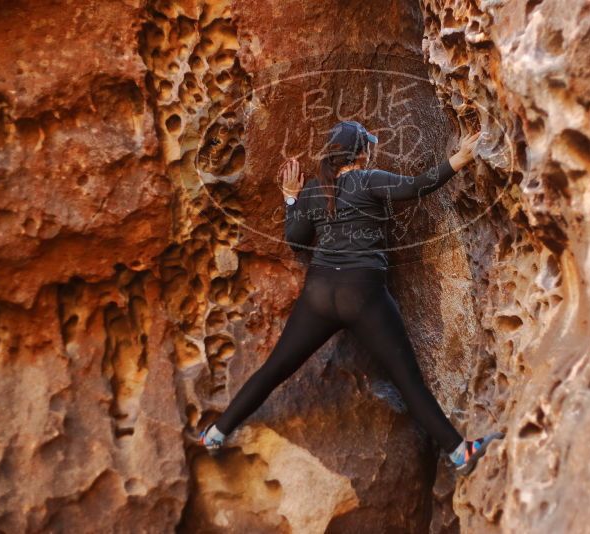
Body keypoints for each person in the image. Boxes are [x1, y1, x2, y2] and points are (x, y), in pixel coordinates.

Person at [198, 120, 503, 476]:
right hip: (363, 294)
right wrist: (462, 158)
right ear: (361, 153)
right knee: (407, 380)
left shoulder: (313, 191)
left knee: (273, 370)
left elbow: (296, 240)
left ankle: (216, 433)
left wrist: (290, 196)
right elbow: (418, 186)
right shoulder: (369, 179)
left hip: (319, 294)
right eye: (368, 146)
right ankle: (458, 453)